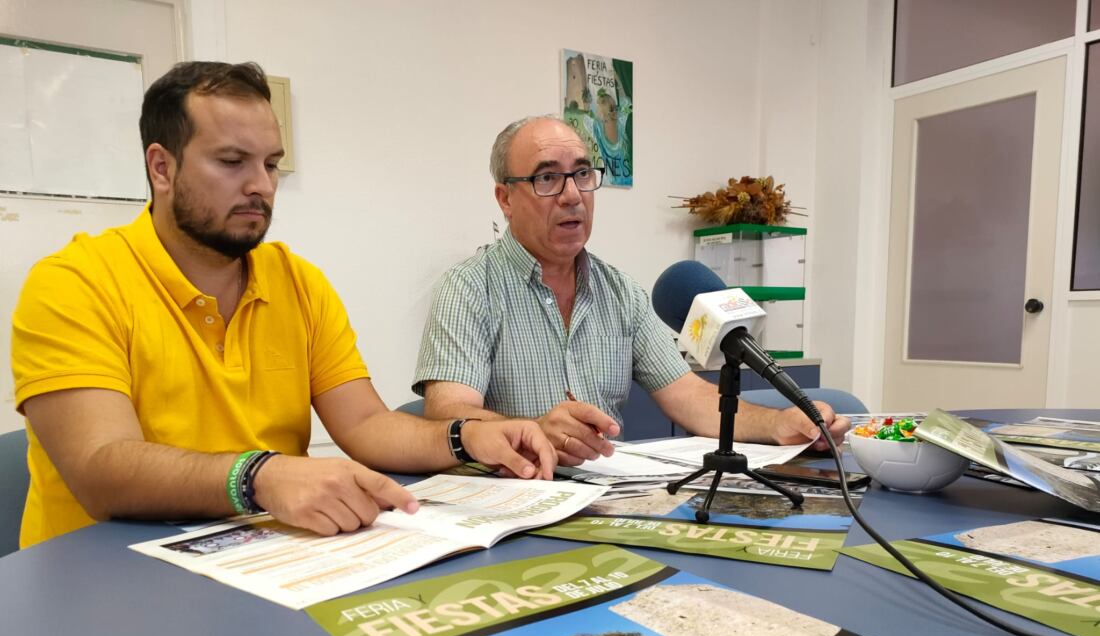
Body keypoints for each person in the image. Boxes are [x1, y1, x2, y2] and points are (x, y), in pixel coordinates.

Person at [10, 62, 554, 548]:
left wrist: (467, 437)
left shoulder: (298, 282)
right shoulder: (74, 283)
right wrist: (262, 476)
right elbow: (101, 468)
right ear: (162, 168)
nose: (261, 186)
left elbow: (366, 424)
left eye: (270, 164)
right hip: (97, 578)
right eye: (232, 161)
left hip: (256, 556)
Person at [413, 115, 849, 465]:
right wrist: (531, 433)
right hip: (515, 497)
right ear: (505, 199)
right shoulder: (469, 288)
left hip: (608, 501)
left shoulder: (621, 292)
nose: (571, 195)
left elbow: (689, 396)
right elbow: (449, 413)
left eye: (582, 174)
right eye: (547, 179)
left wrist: (779, 424)